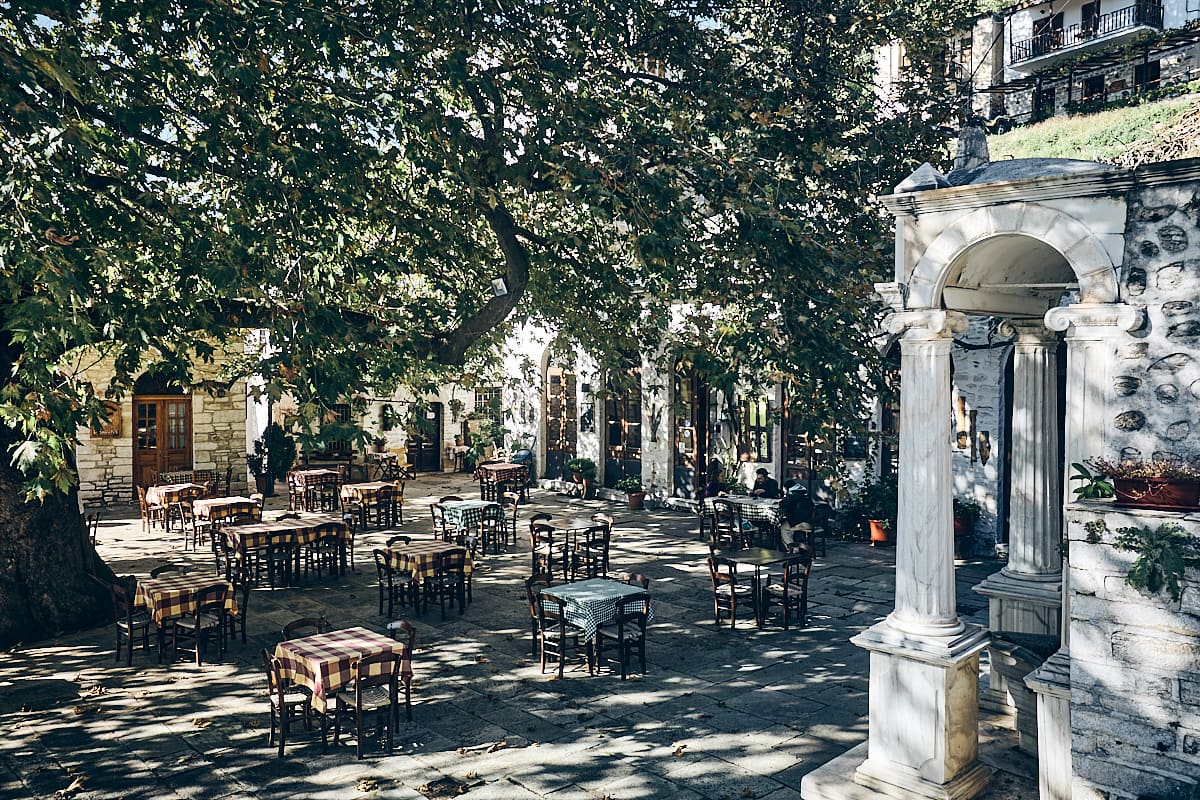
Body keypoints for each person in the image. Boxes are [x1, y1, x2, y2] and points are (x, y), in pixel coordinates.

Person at [779, 480, 814, 547]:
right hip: (811, 522)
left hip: (802, 523)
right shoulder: (803, 493)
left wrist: (783, 499)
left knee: (783, 528)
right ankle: (799, 543)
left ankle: (793, 549)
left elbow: (782, 504)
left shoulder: (793, 495)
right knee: (789, 524)